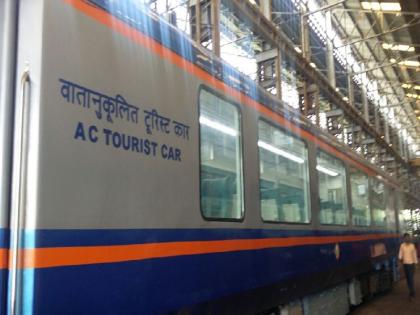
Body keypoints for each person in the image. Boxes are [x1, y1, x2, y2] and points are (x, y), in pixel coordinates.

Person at [399, 233, 418, 300]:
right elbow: (400, 254)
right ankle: (411, 291)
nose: (407, 238)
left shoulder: (412, 246)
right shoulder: (402, 246)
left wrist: (415, 264)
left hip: (411, 265)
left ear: (409, 238)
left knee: (410, 279)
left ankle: (412, 294)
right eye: (406, 237)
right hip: (405, 265)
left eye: (408, 237)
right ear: (404, 239)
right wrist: (400, 260)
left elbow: (414, 255)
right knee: (407, 279)